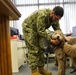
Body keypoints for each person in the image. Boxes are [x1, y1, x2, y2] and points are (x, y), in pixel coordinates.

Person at [22, 6, 64, 75]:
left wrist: (61, 36)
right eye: (56, 19)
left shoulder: (56, 19)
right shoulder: (42, 14)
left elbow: (58, 30)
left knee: (41, 48)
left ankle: (41, 69)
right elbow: (41, 30)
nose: (56, 21)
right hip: (29, 28)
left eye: (58, 19)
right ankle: (34, 71)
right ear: (52, 13)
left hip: (38, 30)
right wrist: (50, 40)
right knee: (33, 49)